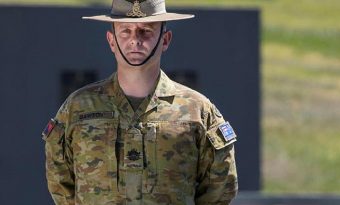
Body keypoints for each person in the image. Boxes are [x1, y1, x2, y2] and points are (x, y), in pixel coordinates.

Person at [42, 0, 238, 204]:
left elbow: (219, 189)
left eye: (146, 30)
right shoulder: (78, 108)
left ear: (165, 40)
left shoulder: (198, 111)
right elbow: (60, 182)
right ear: (111, 40)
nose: (135, 39)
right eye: (125, 31)